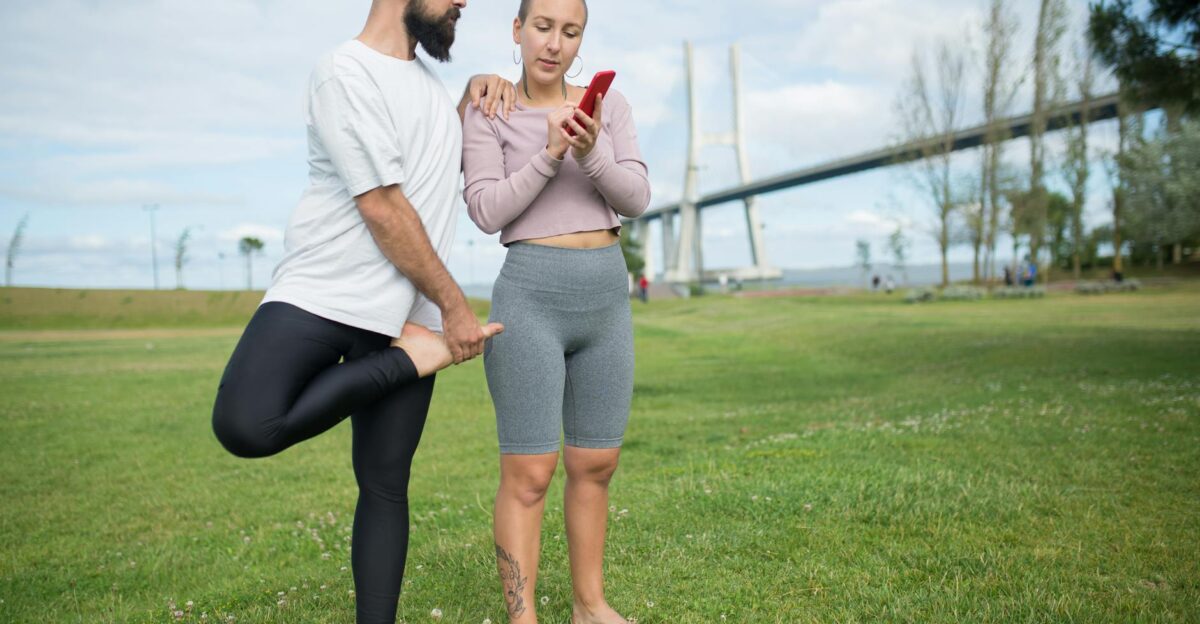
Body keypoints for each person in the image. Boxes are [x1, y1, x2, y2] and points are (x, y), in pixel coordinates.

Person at [210, 1, 518, 621]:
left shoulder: (432, 93)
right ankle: (411, 361)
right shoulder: (343, 71)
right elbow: (382, 205)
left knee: (384, 485)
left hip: (410, 310)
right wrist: (453, 310)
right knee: (245, 424)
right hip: (327, 294)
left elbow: (428, 165)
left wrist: (468, 97)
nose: (464, 1)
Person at [460, 0, 651, 621]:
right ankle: (523, 617)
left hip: (604, 297)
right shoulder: (489, 107)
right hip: (530, 297)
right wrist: (548, 156)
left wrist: (592, 149)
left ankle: (589, 605)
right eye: (542, 27)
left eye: (571, 32)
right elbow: (487, 211)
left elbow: (638, 197)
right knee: (530, 469)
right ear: (516, 31)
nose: (554, 43)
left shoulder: (608, 108)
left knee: (596, 461)